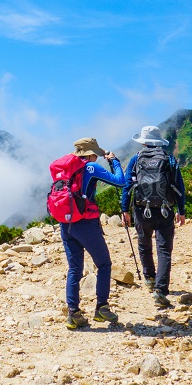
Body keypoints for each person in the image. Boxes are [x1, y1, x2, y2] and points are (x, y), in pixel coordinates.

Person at [62, 137, 126, 329]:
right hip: (86, 223)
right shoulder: (90, 167)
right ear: (89, 154)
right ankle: (101, 308)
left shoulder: (66, 167)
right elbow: (120, 182)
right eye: (95, 155)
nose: (96, 158)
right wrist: (114, 161)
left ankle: (73, 313)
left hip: (66, 223)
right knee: (104, 264)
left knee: (74, 269)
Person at [120, 126, 186, 308]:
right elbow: (179, 186)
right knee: (164, 251)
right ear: (158, 142)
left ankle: (149, 278)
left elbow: (127, 186)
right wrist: (181, 210)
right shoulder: (168, 158)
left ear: (143, 141)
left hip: (142, 210)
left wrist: (124, 209)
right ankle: (161, 290)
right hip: (165, 211)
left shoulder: (136, 159)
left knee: (144, 244)